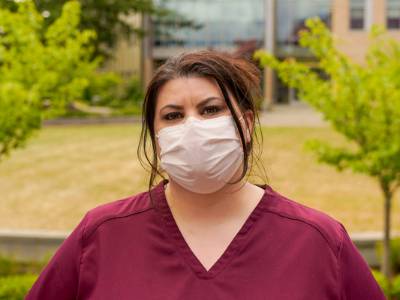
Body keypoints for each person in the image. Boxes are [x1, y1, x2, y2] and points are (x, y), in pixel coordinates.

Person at [25, 50, 385, 300]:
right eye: (172, 116)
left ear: (245, 123)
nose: (192, 127)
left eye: (210, 109)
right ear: (156, 137)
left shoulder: (317, 241)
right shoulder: (101, 235)